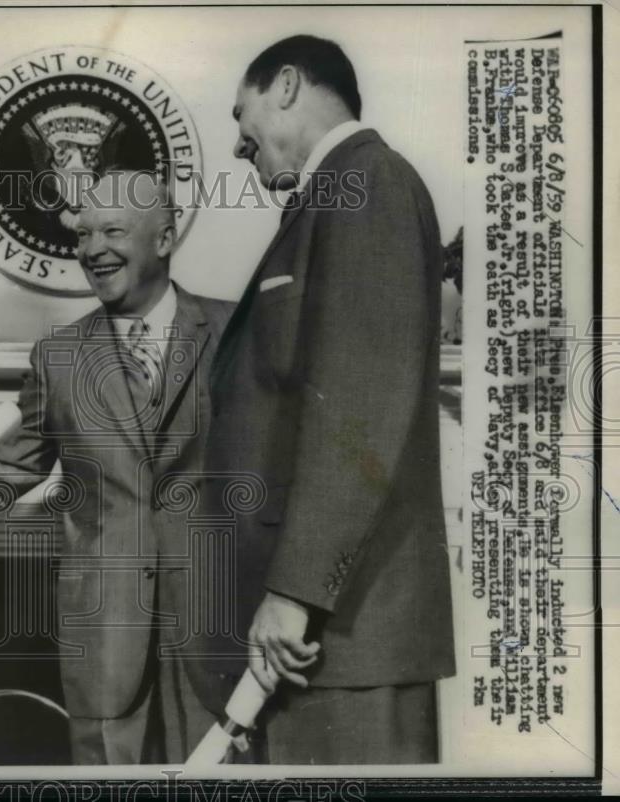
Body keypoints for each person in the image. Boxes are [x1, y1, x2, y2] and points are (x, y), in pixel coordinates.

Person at [192, 35, 456, 763]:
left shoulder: (370, 182)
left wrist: (295, 593)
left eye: (240, 117)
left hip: (340, 637)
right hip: (317, 643)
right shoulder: (335, 195)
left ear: (285, 85)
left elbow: (359, 417)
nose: (240, 149)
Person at [0, 170, 234, 764]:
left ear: (163, 239)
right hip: (104, 631)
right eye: (84, 235)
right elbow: (8, 475)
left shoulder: (237, 332)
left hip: (218, 623)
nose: (92, 250)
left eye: (112, 230)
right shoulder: (57, 356)